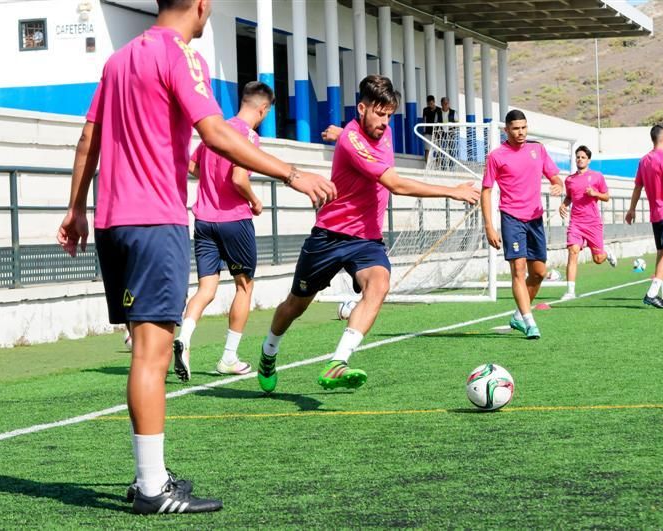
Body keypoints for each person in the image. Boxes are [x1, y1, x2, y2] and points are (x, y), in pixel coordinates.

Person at [56, 0, 336, 516]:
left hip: (111, 222)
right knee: (152, 354)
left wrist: (75, 209)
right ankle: (150, 489)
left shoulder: (118, 61)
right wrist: (292, 174)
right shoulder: (182, 56)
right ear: (201, 5)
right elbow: (216, 133)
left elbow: (87, 139)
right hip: (152, 222)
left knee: (146, 349)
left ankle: (152, 478)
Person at [259, 75, 479, 394]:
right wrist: (452, 191)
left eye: (389, 114)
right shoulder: (353, 139)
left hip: (367, 240)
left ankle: (338, 361)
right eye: (379, 113)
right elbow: (396, 184)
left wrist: (340, 134)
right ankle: (269, 351)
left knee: (379, 284)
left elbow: (367, 150)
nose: (384, 121)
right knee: (296, 304)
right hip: (330, 235)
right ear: (362, 108)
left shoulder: (382, 133)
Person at [173, 81, 274, 380]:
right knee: (244, 286)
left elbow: (192, 167)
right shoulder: (248, 137)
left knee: (206, 289)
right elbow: (240, 178)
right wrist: (255, 201)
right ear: (263, 109)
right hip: (234, 221)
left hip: (203, 220)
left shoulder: (213, 131)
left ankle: (185, 338)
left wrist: (211, 182)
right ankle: (228, 357)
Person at [481, 109, 563, 339]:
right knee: (518, 270)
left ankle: (518, 315)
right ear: (506, 130)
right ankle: (529, 322)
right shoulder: (496, 156)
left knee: (538, 273)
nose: (521, 133)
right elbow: (486, 191)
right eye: (516, 129)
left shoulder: (537, 149)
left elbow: (555, 177)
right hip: (511, 218)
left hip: (535, 219)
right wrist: (489, 226)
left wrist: (558, 185)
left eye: (524, 128)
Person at [624, 125, 663, 308]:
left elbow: (637, 187)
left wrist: (631, 209)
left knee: (662, 253)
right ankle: (652, 293)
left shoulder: (644, 161)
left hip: (656, 215)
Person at [558, 145, 617, 300]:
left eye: (583, 157)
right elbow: (570, 197)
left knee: (598, 260)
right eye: (578, 157)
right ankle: (570, 291)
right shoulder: (569, 180)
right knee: (573, 252)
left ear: (589, 160)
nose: (580, 159)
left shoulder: (597, 176)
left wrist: (595, 193)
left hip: (593, 223)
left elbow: (606, 196)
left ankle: (607, 252)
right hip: (576, 223)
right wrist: (564, 204)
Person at [439, 96, 458, 169]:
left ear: (449, 104)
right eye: (444, 103)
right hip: (442, 134)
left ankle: (451, 168)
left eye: (447, 103)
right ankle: (443, 168)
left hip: (451, 134)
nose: (445, 105)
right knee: (442, 152)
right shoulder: (438, 113)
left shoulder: (454, 113)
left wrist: (452, 128)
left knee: (451, 152)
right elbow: (435, 124)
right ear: (441, 104)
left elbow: (457, 123)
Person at [421, 95, 442, 162]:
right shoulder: (425, 110)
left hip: (436, 133)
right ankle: (427, 165)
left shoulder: (439, 110)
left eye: (432, 103)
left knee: (438, 150)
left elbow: (440, 121)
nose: (430, 105)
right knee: (427, 149)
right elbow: (424, 120)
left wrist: (439, 132)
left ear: (434, 102)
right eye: (429, 104)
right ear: (427, 103)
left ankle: (438, 165)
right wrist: (423, 131)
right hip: (427, 132)